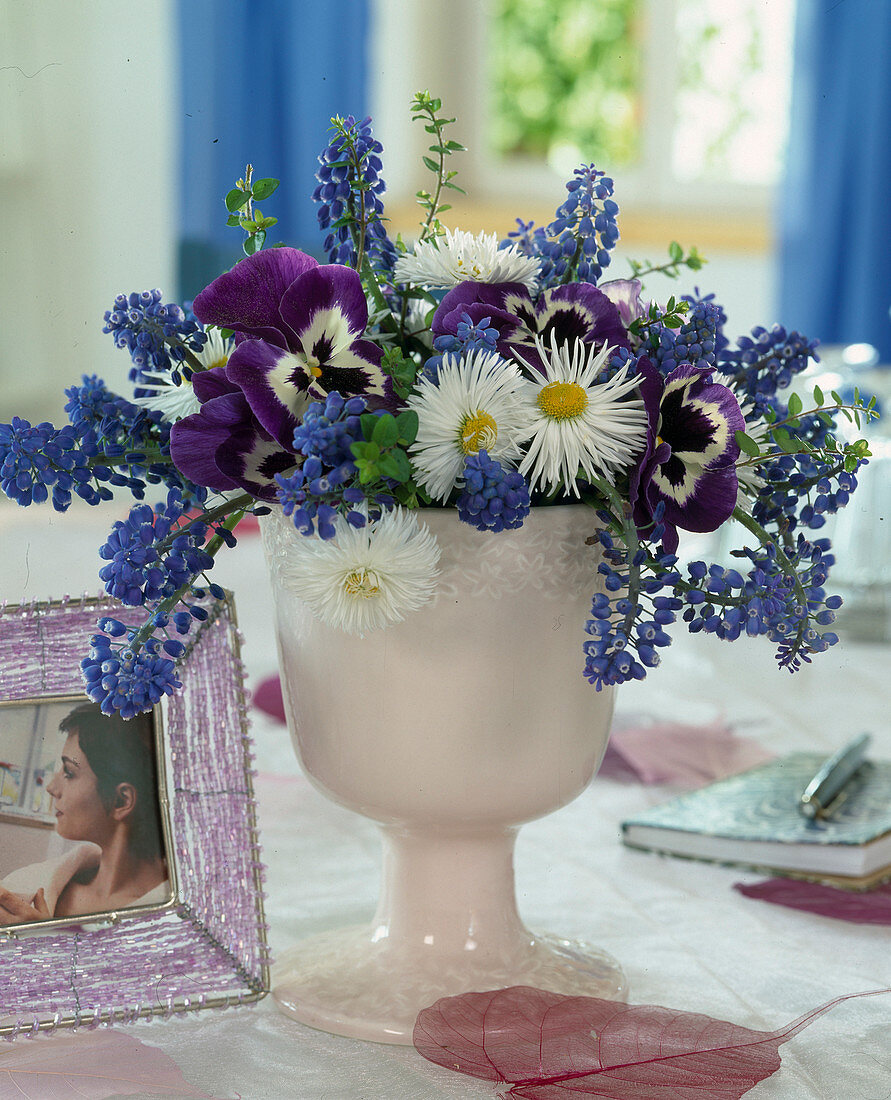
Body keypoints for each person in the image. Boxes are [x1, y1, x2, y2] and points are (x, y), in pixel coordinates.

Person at [0, 702, 170, 925]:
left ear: (122, 801)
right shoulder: (24, 886)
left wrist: (42, 942)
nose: (51, 787)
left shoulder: (169, 918)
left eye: (69, 772)